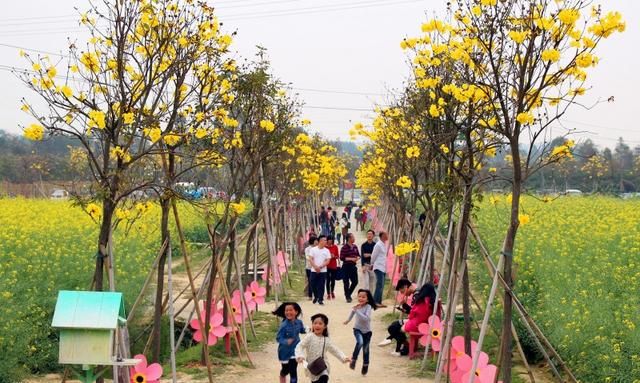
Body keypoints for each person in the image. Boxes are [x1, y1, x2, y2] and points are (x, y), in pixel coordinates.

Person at [380, 283, 437, 356]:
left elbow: (412, 314)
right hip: (425, 324)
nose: (402, 293)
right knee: (395, 326)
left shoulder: (421, 300)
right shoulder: (431, 302)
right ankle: (394, 343)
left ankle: (402, 347)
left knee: (394, 327)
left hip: (416, 325)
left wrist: (406, 310)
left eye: (402, 291)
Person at [295, 313, 350, 383]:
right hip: (312, 367)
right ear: (312, 325)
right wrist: (300, 356)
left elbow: (335, 349)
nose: (317, 325)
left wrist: (344, 357)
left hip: (323, 366)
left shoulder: (326, 339)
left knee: (324, 378)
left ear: (325, 326)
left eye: (320, 323)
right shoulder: (309, 337)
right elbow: (300, 346)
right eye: (315, 323)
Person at [344, 289, 376, 376]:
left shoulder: (368, 307)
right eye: (359, 296)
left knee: (366, 350)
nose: (361, 298)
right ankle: (353, 360)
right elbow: (352, 313)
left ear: (367, 299)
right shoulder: (357, 306)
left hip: (367, 332)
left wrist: (357, 311)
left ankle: (365, 365)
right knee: (360, 342)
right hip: (357, 329)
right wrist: (347, 320)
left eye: (363, 297)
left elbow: (366, 319)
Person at [274, 302, 306, 383]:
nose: (288, 312)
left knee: (293, 371)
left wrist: (309, 330)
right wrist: (286, 341)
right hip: (284, 352)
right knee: (286, 370)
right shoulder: (283, 325)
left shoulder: (299, 322)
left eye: (290, 310)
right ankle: (282, 375)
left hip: (295, 351)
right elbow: (278, 338)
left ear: (296, 312)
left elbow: (302, 330)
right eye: (286, 310)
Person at [309, 235, 331, 305]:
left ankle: (320, 299)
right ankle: (316, 296)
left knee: (321, 285)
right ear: (320, 241)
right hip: (314, 270)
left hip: (323, 271)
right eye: (324, 240)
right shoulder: (313, 249)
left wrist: (320, 267)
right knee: (312, 283)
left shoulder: (327, 250)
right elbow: (311, 259)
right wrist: (315, 267)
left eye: (326, 240)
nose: (326, 241)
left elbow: (328, 260)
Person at [340, 233, 360, 303]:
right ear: (349, 239)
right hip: (346, 267)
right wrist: (351, 259)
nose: (354, 238)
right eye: (353, 237)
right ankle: (348, 297)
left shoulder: (355, 247)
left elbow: (358, 255)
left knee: (355, 281)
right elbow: (342, 258)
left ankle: (348, 294)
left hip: (353, 267)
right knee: (346, 282)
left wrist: (357, 258)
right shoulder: (344, 247)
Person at [370, 231, 388, 306]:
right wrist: (372, 264)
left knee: (382, 284)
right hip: (378, 267)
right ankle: (375, 301)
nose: (387, 236)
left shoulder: (383, 244)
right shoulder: (378, 245)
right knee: (379, 284)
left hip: (383, 267)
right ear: (382, 236)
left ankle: (379, 302)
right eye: (385, 235)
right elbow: (373, 255)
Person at [325, 236, 340, 300]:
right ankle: (328, 293)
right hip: (327, 266)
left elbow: (337, 256)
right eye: (329, 240)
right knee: (328, 280)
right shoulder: (325, 248)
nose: (330, 241)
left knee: (333, 280)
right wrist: (328, 257)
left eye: (331, 240)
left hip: (333, 265)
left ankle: (332, 291)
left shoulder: (335, 247)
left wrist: (334, 256)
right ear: (327, 240)